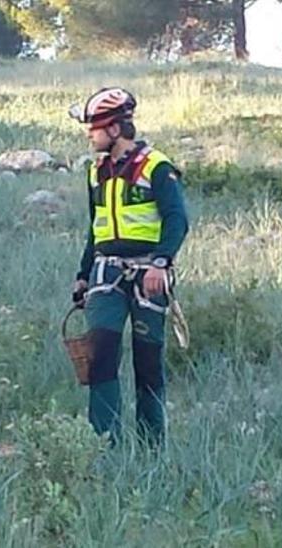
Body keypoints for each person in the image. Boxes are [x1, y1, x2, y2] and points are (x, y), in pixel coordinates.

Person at [69, 87, 190, 447]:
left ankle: (153, 448)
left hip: (148, 275)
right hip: (106, 274)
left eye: (95, 128)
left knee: (147, 362)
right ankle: (103, 446)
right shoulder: (95, 171)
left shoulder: (157, 166)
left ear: (116, 129)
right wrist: (82, 274)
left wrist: (161, 262)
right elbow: (97, 228)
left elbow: (177, 220)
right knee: (100, 355)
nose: (90, 135)